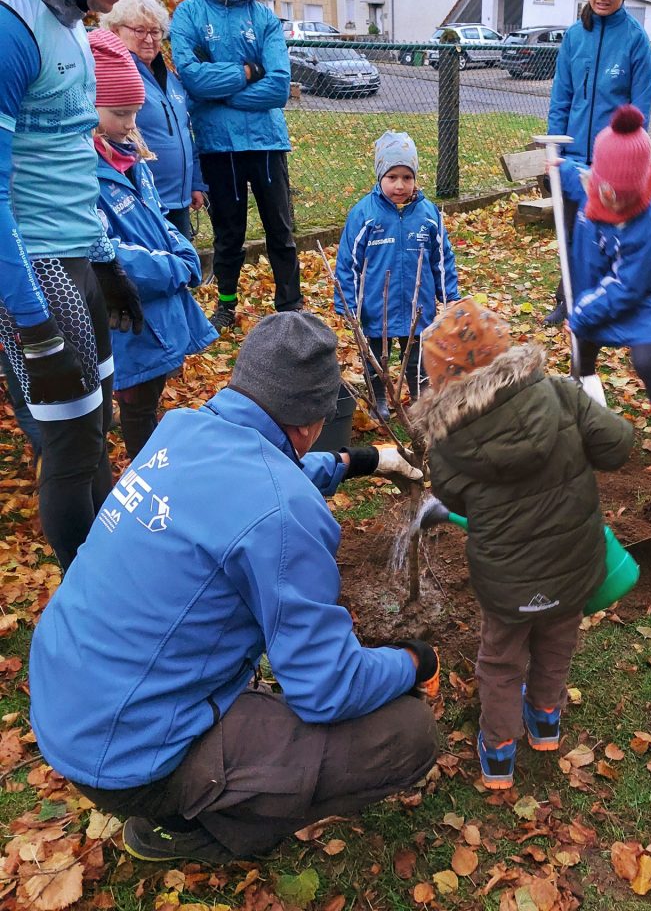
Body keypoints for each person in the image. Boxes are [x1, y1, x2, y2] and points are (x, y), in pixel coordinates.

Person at [28, 311, 439, 864]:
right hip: (125, 758)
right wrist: (414, 662)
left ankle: (185, 787)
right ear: (312, 420)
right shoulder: (284, 513)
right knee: (408, 732)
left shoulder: (179, 430)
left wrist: (361, 461)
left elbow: (262, 472)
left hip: (68, 703)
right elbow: (327, 688)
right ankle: (192, 824)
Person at [0, 0, 183, 569]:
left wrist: (104, 260)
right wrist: (34, 326)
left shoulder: (70, 9)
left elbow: (69, 154)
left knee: (98, 425)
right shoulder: (10, 19)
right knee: (72, 451)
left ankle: (111, 573)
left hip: (74, 258)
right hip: (30, 270)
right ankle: (93, 603)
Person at [411, 298, 633, 789]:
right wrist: (588, 407)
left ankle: (498, 751)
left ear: (441, 380)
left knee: (500, 659)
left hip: (507, 580)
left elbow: (451, 495)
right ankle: (547, 722)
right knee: (557, 641)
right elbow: (618, 446)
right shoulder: (560, 395)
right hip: (574, 563)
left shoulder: (449, 441)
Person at [170, 0, 302, 332]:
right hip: (217, 145)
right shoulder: (189, 15)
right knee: (229, 235)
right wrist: (247, 72)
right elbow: (190, 77)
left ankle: (290, 306)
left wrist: (218, 93)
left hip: (265, 142)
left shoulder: (263, 17)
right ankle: (226, 305)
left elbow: (279, 86)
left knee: (280, 231)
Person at [89, 30, 217, 459]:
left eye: (135, 113)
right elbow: (108, 252)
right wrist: (177, 267)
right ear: (88, 107)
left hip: (159, 306)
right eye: (120, 112)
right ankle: (144, 474)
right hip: (128, 315)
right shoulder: (84, 172)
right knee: (135, 400)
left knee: (150, 391)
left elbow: (160, 220)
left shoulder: (131, 156)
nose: (130, 124)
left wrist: (183, 251)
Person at [560, 105, 651, 466]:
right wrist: (558, 169)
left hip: (646, 291)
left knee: (645, 357)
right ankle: (596, 424)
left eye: (624, 194)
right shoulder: (595, 183)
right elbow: (577, 179)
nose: (614, 201)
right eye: (607, 191)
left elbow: (627, 287)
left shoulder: (649, 225)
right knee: (583, 351)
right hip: (601, 283)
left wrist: (581, 310)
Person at [545, 0, 651, 325]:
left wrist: (626, 162)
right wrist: (554, 152)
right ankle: (567, 298)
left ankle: (605, 301)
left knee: (607, 236)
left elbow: (639, 111)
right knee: (571, 234)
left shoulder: (637, 41)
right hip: (573, 157)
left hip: (611, 163)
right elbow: (562, 97)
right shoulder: (575, 37)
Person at [334, 131, 460, 421]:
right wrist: (348, 305)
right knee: (376, 358)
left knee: (418, 360)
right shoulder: (364, 214)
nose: (400, 185)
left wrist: (449, 296)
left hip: (418, 307)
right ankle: (379, 398)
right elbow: (348, 263)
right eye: (392, 177)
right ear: (380, 176)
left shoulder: (428, 214)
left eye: (407, 177)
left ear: (415, 177)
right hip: (375, 307)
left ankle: (420, 401)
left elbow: (442, 258)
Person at [101, 0, 207, 241]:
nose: (149, 39)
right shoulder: (113, 75)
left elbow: (184, 131)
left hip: (178, 200)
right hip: (140, 201)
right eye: (139, 30)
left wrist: (195, 183)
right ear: (116, 30)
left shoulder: (170, 78)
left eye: (155, 31)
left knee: (181, 270)